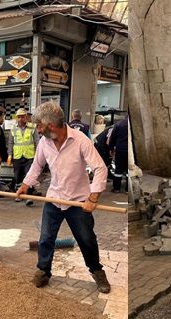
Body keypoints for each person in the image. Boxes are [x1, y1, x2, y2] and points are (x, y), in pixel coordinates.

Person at [16, 101, 110, 293]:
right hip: (54, 198)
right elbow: (37, 165)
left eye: (40, 126)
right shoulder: (44, 142)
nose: (38, 131)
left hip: (78, 201)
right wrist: (26, 184)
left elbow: (100, 168)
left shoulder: (80, 140)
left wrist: (93, 198)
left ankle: (97, 271)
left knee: (86, 239)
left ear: (50, 125)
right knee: (45, 238)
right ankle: (43, 271)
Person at [7, 108, 39, 205]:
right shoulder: (13, 128)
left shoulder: (32, 127)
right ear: (16, 118)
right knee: (18, 176)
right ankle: (19, 195)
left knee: (28, 176)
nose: (21, 119)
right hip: (17, 156)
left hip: (29, 156)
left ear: (26, 117)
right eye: (19, 117)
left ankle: (28, 197)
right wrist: (9, 155)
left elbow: (37, 142)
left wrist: (38, 155)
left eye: (23, 116)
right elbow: (11, 142)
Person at [107, 117, 128, 193]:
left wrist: (111, 149)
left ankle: (116, 188)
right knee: (128, 170)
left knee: (118, 170)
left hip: (120, 150)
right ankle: (127, 189)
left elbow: (112, 138)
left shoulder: (119, 124)